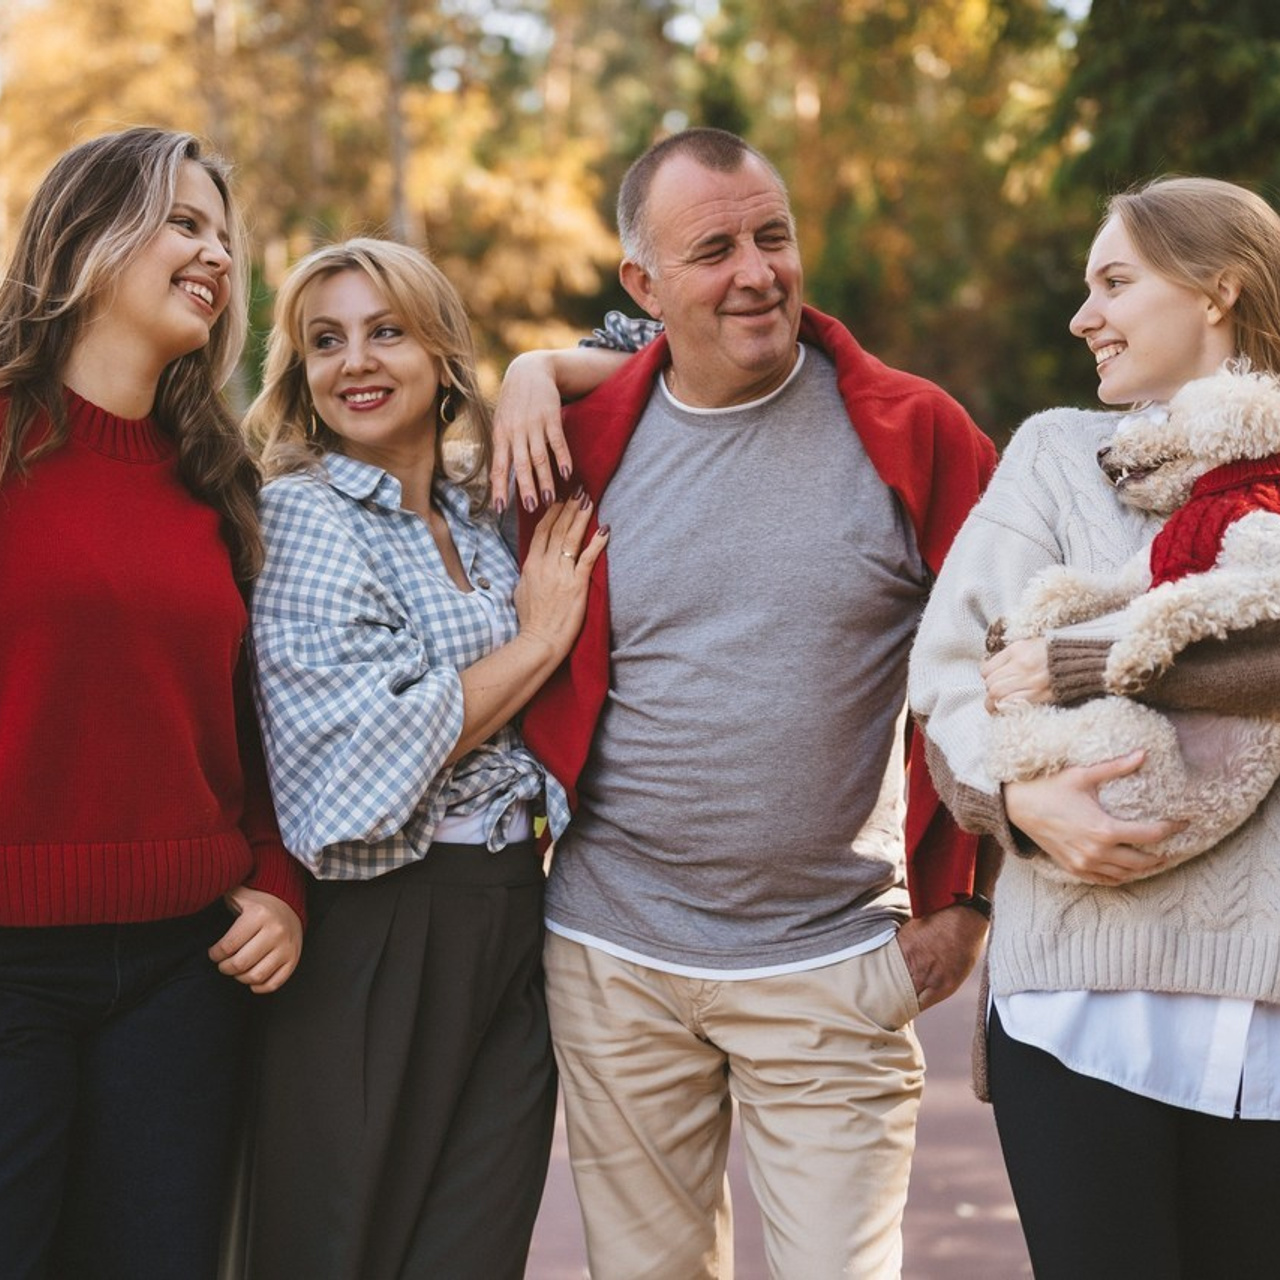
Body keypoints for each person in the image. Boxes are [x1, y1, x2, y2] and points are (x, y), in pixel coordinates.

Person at [500, 127, 997, 1279]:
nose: (755, 272)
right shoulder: (577, 445)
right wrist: (533, 367)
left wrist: (966, 896)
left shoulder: (912, 433)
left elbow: (994, 659)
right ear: (643, 284)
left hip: (826, 961)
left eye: (771, 235)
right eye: (712, 248)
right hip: (612, 958)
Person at [909, 175, 1280, 1279]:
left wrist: (1087, 660)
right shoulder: (1056, 455)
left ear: (1216, 289)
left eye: (1114, 281)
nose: (1082, 317)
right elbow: (949, 680)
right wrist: (1016, 802)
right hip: (1076, 994)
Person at [239, 238, 608, 1280]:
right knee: (337, 1246)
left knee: (472, 1249)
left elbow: (658, 344)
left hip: (511, 911)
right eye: (325, 340)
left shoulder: (480, 512)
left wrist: (537, 369)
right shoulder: (300, 515)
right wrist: (534, 642)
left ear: (443, 353)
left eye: (385, 330)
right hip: (375, 929)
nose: (354, 360)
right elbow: (356, 758)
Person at [0, 127, 306, 1280]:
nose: (214, 254)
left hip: (187, 972)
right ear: (85, 237)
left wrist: (277, 881)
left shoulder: (218, 479)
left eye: (222, 236)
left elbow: (254, 730)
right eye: (183, 223)